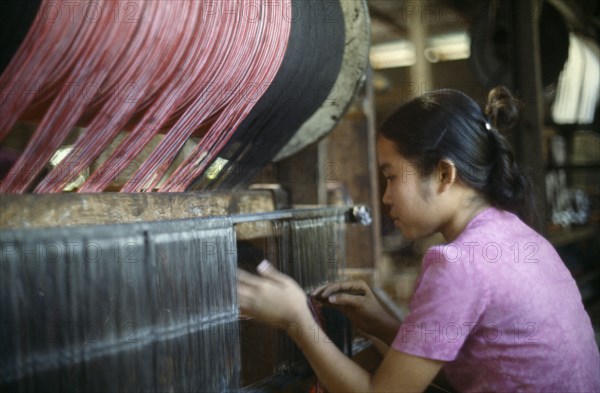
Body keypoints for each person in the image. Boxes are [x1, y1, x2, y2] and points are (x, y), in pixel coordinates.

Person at [237, 87, 600, 392]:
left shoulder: (459, 263)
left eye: (392, 176)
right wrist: (383, 323)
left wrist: (296, 320)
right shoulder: (518, 236)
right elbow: (474, 368)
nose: (385, 197)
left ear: (443, 173)